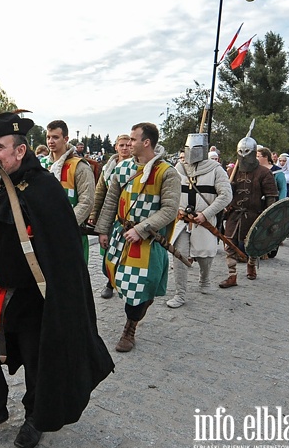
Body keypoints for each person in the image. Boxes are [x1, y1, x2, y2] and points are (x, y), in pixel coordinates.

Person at [0, 113, 113, 448]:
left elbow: (62, 250)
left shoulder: (43, 188)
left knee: (38, 363)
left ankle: (34, 418)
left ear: (20, 150)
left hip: (31, 296)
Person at [96, 123, 180, 353]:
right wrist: (103, 230)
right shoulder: (122, 168)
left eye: (133, 140)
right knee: (110, 272)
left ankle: (130, 328)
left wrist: (142, 229)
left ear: (146, 142)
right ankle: (138, 306)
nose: (129, 144)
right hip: (119, 235)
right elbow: (111, 202)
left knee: (140, 286)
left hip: (146, 241)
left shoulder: (167, 173)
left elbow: (170, 209)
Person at [166, 134, 232, 308]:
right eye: (188, 149)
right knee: (178, 255)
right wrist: (177, 208)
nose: (190, 153)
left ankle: (204, 279)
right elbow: (170, 192)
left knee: (204, 255)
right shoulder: (179, 167)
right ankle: (180, 294)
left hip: (204, 221)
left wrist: (206, 213)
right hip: (182, 220)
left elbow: (226, 195)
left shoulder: (216, 169)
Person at [218, 135, 279, 287]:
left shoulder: (264, 173)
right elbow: (223, 193)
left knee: (252, 244)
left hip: (254, 215)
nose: (244, 155)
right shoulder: (233, 171)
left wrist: (269, 219)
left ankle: (251, 264)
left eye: (247, 151)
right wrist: (228, 189)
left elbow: (271, 197)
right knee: (229, 245)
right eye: (241, 151)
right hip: (234, 213)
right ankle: (232, 275)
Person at [44, 120, 94, 266]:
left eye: (55, 137)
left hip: (71, 232)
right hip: (46, 234)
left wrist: (65, 225)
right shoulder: (41, 165)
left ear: (66, 139)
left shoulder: (80, 166)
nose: (50, 141)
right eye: (48, 137)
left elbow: (87, 201)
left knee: (74, 279)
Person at [89, 133, 131, 298]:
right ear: (116, 147)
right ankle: (109, 281)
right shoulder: (108, 168)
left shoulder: (135, 167)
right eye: (122, 145)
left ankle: (122, 281)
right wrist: (93, 213)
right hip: (109, 214)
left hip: (127, 215)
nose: (125, 148)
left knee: (126, 251)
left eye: (128, 145)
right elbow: (100, 191)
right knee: (108, 251)